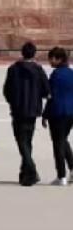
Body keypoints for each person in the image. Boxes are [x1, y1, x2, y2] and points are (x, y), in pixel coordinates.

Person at [3, 42, 50, 186]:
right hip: (32, 110)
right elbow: (46, 90)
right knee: (27, 141)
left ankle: (31, 170)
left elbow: (7, 90)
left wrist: (13, 102)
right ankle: (25, 174)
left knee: (22, 141)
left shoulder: (13, 69)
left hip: (18, 110)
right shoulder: (38, 70)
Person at [44, 46, 73, 187]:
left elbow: (51, 96)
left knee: (58, 144)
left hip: (57, 112)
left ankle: (61, 176)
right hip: (70, 112)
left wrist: (44, 114)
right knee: (63, 140)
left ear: (59, 59)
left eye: (52, 58)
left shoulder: (56, 75)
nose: (50, 61)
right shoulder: (71, 73)